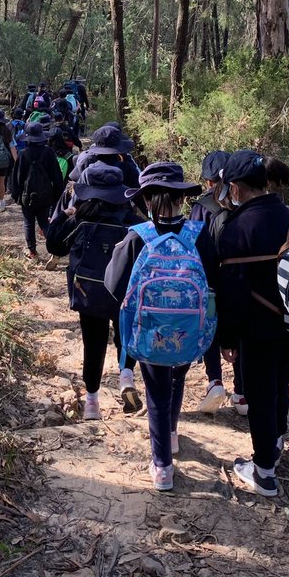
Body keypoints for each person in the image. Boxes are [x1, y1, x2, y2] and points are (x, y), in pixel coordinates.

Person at [105, 162, 219, 492]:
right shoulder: (199, 235)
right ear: (182, 199)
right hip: (189, 329)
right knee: (178, 377)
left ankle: (162, 467)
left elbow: (114, 284)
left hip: (150, 329)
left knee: (156, 392)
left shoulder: (137, 236)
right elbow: (213, 282)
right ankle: (171, 434)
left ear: (146, 199)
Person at [212, 150, 289, 498]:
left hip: (256, 328)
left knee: (259, 394)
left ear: (235, 188)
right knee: (279, 383)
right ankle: (275, 442)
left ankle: (264, 473)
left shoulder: (235, 229)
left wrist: (227, 338)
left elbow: (231, 291)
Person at [46, 162, 144, 418]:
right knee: (124, 335)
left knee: (93, 342)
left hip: (88, 291)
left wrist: (63, 216)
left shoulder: (80, 219)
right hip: (124, 291)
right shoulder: (132, 221)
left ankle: (92, 403)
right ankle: (126, 375)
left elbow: (54, 246)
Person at [189, 150, 246, 415]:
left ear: (208, 180)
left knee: (210, 327)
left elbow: (193, 244)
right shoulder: (243, 203)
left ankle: (215, 381)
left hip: (210, 279)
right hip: (239, 280)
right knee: (239, 330)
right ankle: (242, 391)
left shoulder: (201, 207)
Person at [9, 121, 65, 259]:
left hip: (27, 196)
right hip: (46, 195)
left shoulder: (23, 154)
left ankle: (32, 252)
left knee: (28, 223)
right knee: (44, 222)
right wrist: (57, 194)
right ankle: (54, 249)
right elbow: (56, 175)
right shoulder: (49, 152)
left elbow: (17, 177)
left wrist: (16, 195)